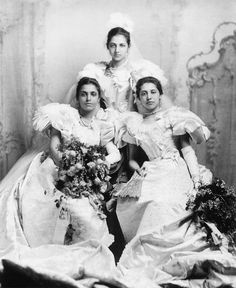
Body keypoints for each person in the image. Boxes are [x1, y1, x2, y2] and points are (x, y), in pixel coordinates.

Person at [115, 66, 236, 287]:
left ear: (160, 95)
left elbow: (187, 150)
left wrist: (196, 179)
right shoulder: (135, 124)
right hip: (152, 171)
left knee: (170, 204)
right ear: (138, 98)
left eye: (153, 92)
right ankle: (155, 259)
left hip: (174, 169)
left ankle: (187, 253)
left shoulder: (173, 116)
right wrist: (137, 168)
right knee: (151, 203)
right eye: (144, 93)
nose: (149, 97)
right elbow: (132, 158)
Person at [0, 75, 122, 279]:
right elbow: (55, 147)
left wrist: (98, 164)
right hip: (56, 169)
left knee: (87, 217)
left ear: (100, 97)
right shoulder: (65, 116)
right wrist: (68, 165)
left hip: (84, 174)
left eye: (93, 94)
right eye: (84, 94)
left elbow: (114, 153)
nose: (88, 99)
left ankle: (80, 257)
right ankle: (48, 247)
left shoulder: (103, 126)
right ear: (77, 97)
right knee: (50, 204)